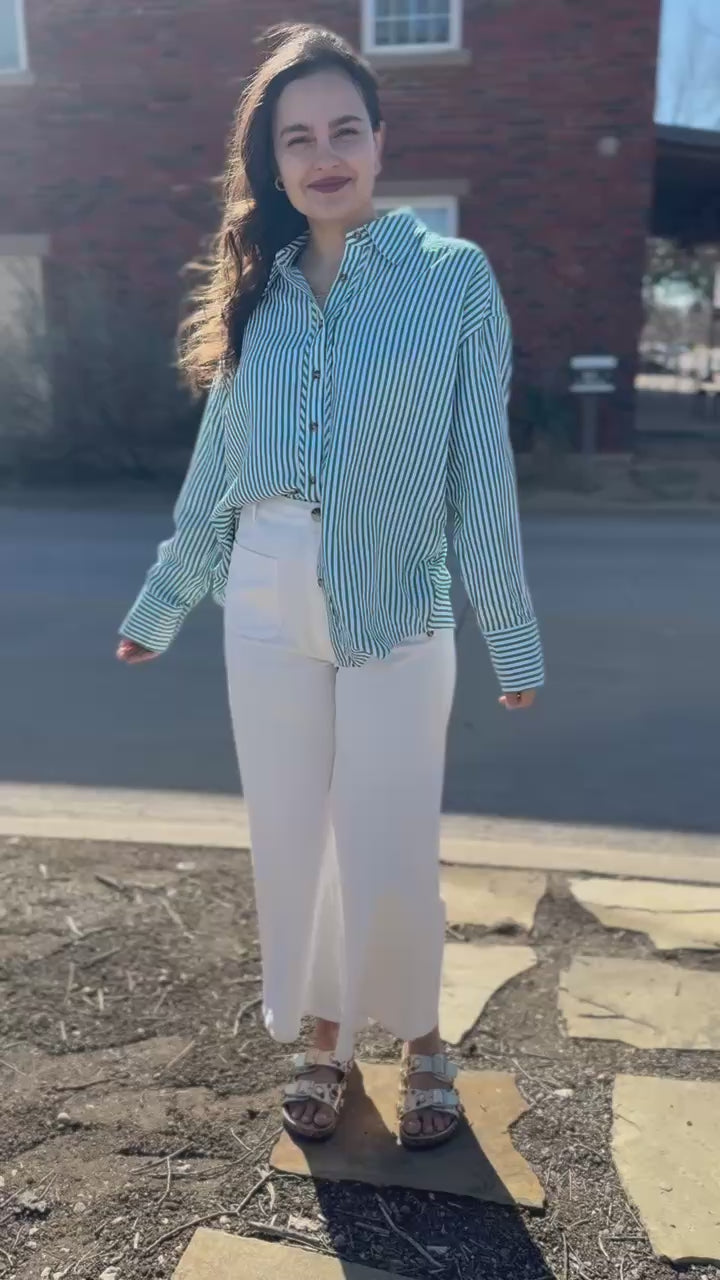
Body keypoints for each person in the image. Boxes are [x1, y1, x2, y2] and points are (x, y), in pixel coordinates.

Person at [117, 23, 544, 1152]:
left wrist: (510, 631)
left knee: (391, 829)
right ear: (273, 160)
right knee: (294, 834)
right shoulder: (255, 288)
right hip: (265, 598)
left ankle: (422, 1037)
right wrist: (168, 596)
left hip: (400, 602)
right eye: (297, 137)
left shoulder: (452, 279)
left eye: (344, 129)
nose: (324, 154)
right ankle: (324, 1033)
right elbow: (220, 463)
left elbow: (477, 467)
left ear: (379, 141)